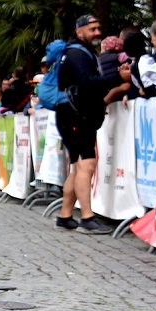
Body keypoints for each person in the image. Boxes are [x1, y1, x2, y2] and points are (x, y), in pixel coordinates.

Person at [55, 15, 131, 234]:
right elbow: (87, 84)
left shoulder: (81, 51)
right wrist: (118, 77)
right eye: (92, 29)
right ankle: (87, 218)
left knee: (78, 167)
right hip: (74, 114)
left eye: (99, 28)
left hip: (75, 113)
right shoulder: (77, 53)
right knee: (86, 165)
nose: (97, 32)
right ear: (79, 31)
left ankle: (65, 215)